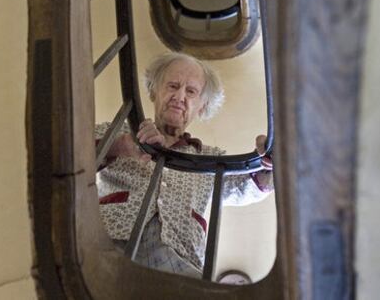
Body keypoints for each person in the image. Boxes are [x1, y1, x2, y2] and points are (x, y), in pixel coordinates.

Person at [95, 53, 273, 278]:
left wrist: (270, 160)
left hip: (181, 261)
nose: (179, 96)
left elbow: (250, 187)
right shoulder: (119, 131)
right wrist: (122, 146)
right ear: (153, 91)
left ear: (201, 106)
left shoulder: (211, 158)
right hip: (111, 244)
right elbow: (74, 155)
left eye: (191, 91)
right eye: (172, 85)